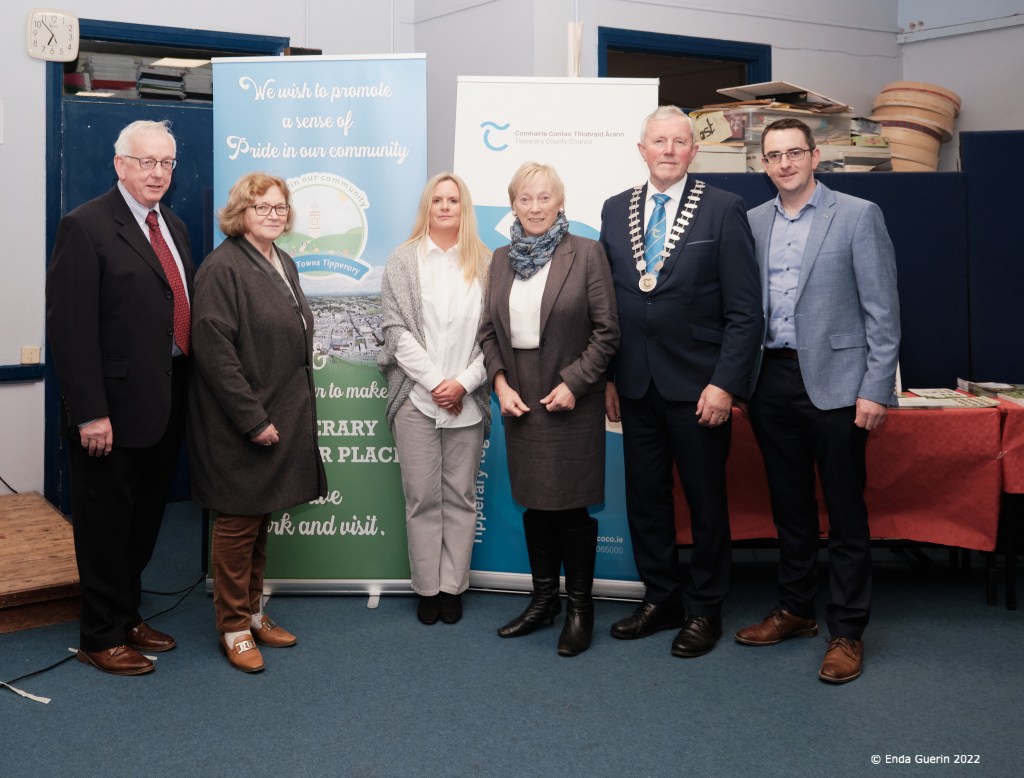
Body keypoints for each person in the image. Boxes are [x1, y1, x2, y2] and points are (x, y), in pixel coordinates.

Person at [735, 118, 900, 684]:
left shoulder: (857, 215)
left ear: (815, 156)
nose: (784, 163)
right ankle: (797, 610)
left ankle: (847, 631)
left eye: (794, 152)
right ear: (762, 164)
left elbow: (883, 311)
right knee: (790, 507)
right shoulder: (753, 221)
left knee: (845, 513)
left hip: (838, 383)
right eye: (773, 155)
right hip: (770, 381)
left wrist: (875, 388)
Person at [600, 106, 762, 658]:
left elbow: (745, 311)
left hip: (699, 388)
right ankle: (661, 598)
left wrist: (725, 384)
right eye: (658, 141)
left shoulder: (723, 208)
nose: (668, 151)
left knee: (706, 502)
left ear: (694, 151)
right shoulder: (615, 209)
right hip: (635, 384)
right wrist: (610, 376)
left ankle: (705, 609)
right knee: (645, 500)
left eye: (678, 142)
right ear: (641, 149)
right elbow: (611, 304)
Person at [46, 119, 193, 675]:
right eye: (146, 161)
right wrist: (90, 413)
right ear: (120, 164)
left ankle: (127, 615)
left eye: (166, 163)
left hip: (166, 403)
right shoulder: (84, 226)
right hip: (108, 412)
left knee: (143, 522)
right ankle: (99, 634)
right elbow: (71, 329)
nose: (157, 173)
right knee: (105, 526)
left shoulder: (173, 225)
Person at [188, 172, 327, 673]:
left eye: (279, 207)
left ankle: (252, 613)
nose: (273, 214)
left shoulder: (283, 261)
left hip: (279, 411)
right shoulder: (221, 268)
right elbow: (214, 354)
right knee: (237, 524)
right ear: (240, 213)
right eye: (261, 207)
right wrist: (252, 419)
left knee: (260, 520)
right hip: (240, 421)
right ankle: (232, 628)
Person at [479, 162, 619, 657]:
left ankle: (580, 608)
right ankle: (543, 602)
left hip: (571, 401)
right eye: (525, 198)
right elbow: (488, 333)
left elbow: (607, 331)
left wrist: (575, 383)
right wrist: (499, 385)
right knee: (535, 504)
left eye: (544, 198)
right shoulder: (500, 259)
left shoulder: (586, 253)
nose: (535, 207)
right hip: (520, 400)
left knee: (572, 507)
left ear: (560, 203)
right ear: (513, 205)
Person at [378, 172, 492, 626]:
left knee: (460, 497)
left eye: (453, 200)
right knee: (422, 498)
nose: (445, 207)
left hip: (468, 399)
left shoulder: (486, 262)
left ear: (465, 209)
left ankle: (453, 587)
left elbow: (494, 336)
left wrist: (462, 383)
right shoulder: (402, 260)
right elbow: (395, 330)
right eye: (437, 200)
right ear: (427, 206)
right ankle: (427, 588)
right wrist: (435, 382)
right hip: (415, 399)